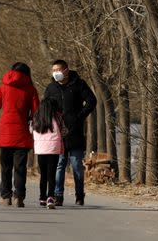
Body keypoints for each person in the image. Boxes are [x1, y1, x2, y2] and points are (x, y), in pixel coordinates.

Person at [43, 59, 97, 206]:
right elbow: (45, 106)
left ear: (66, 70)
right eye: (53, 71)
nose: (56, 73)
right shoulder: (50, 88)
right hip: (57, 133)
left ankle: (80, 195)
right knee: (59, 165)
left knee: (76, 166)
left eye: (59, 70)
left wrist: (79, 117)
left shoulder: (79, 84)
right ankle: (58, 196)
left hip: (75, 132)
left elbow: (92, 100)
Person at [0, 62, 39, 207]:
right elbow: (36, 111)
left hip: (5, 133)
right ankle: (19, 196)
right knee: (20, 167)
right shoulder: (31, 89)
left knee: (6, 167)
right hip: (22, 133)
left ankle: (5, 196)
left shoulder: (4, 86)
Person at [31, 97, 64, 209]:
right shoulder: (57, 117)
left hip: (41, 149)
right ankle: (50, 197)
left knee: (43, 175)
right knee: (52, 174)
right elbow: (64, 130)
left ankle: (42, 197)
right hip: (54, 148)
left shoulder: (36, 118)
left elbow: (31, 130)